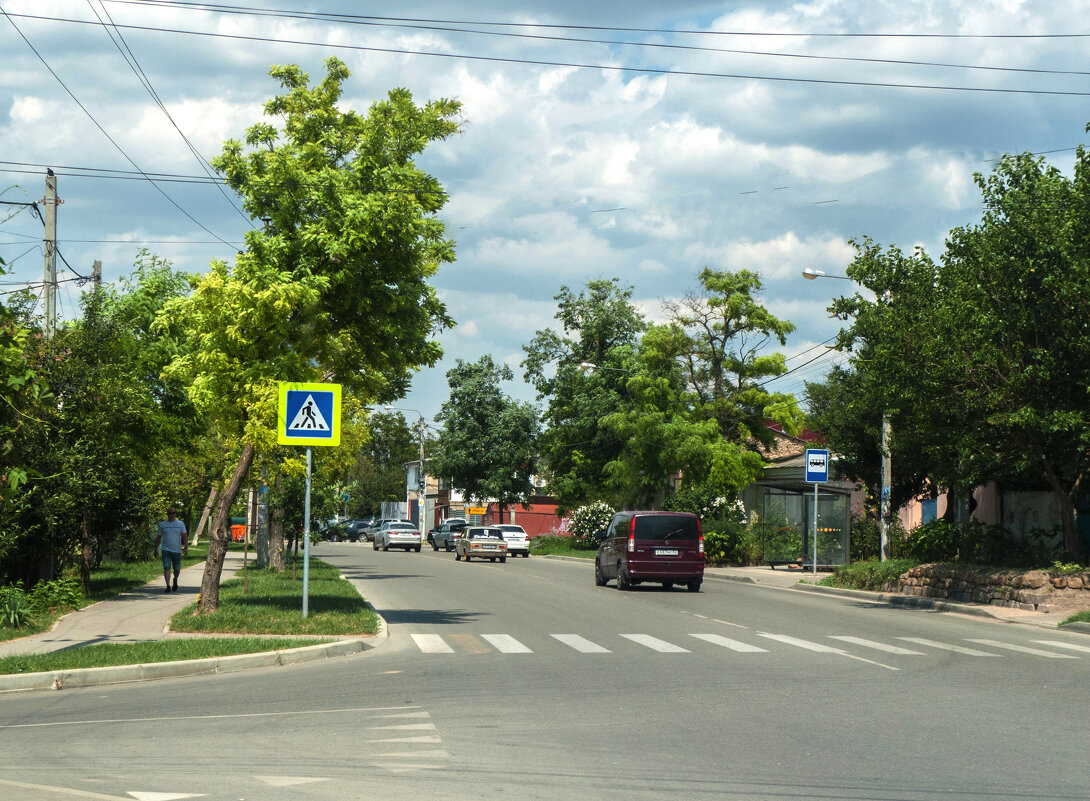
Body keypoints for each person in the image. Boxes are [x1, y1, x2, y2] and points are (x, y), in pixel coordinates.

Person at [155, 507, 188, 593]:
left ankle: (175, 579)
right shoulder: (162, 525)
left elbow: (184, 535)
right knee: (167, 567)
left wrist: (185, 547)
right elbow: (158, 537)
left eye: (173, 513)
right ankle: (168, 585)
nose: (172, 515)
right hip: (165, 549)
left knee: (177, 569)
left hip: (177, 550)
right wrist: (155, 549)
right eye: (170, 513)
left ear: (175, 514)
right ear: (167, 514)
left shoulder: (180, 524)